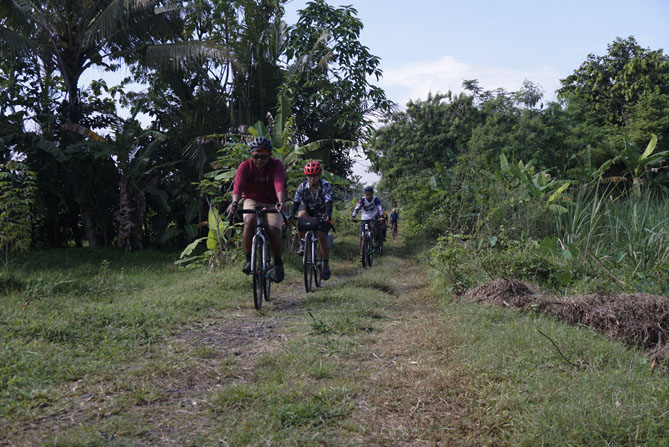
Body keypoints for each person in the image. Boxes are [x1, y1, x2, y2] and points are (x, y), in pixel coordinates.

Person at [226, 136, 287, 282]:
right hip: (252, 200)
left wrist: (280, 202)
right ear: (251, 154)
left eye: (263, 157)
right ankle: (249, 259)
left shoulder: (276, 165)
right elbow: (238, 187)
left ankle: (278, 263)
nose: (259, 160)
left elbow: (279, 183)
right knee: (249, 222)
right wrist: (234, 203)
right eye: (256, 156)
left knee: (273, 230)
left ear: (269, 155)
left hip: (272, 202)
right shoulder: (245, 166)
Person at [287, 160, 334, 280]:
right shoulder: (302, 187)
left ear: (320, 175)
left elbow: (329, 201)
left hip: (323, 213)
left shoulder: (326, 185)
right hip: (308, 211)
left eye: (315, 175)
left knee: (322, 238)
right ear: (306, 176)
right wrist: (291, 214)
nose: (312, 178)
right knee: (301, 216)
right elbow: (296, 201)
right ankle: (302, 244)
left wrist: (327, 215)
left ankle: (326, 264)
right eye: (310, 176)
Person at [350, 186, 384, 260]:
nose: (368, 196)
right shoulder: (362, 200)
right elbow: (357, 208)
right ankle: (361, 254)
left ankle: (374, 241)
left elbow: (379, 207)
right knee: (361, 237)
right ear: (364, 194)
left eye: (369, 194)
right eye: (366, 194)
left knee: (373, 226)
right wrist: (353, 216)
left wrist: (381, 216)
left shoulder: (376, 199)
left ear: (372, 194)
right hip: (364, 218)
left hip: (373, 217)